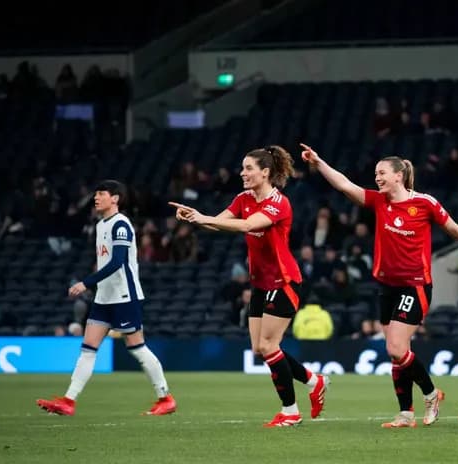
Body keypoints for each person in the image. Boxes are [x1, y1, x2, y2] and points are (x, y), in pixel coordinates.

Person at [300, 143, 458, 428]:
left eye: (382, 173)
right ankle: (406, 414)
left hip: (415, 285)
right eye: (375, 173)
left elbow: (453, 229)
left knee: (396, 348)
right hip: (386, 286)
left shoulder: (425, 203)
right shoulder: (378, 201)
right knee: (397, 353)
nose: (377, 178)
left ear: (399, 176)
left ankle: (431, 394)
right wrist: (319, 162)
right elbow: (345, 185)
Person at [170, 146, 328, 427]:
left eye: (248, 168)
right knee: (259, 348)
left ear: (265, 172)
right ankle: (314, 381)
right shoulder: (243, 198)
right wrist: (196, 217)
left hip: (284, 281)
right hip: (260, 283)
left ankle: (290, 412)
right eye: (242, 168)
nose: (242, 173)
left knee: (269, 346)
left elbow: (247, 226)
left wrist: (202, 218)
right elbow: (219, 223)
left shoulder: (278, 202)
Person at [37, 180, 176, 416]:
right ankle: (68, 401)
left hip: (124, 296)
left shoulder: (120, 224)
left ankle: (165, 397)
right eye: (96, 194)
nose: (96, 198)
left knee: (137, 348)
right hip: (104, 297)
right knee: (88, 348)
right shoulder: (101, 225)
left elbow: (117, 262)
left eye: (101, 194)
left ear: (115, 199)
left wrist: (86, 283)